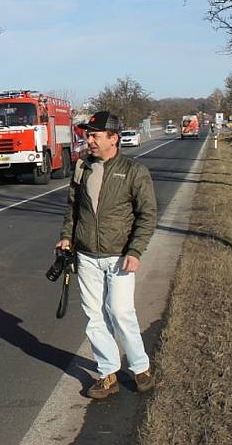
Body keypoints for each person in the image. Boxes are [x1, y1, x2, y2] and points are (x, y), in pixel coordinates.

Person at [56, 111, 157, 399]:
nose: (89, 140)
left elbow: (147, 215)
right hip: (86, 256)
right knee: (94, 317)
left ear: (114, 138)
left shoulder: (135, 171)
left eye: (95, 135)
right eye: (88, 135)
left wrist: (135, 250)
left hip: (119, 256)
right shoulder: (82, 168)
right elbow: (72, 209)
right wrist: (66, 237)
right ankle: (107, 372)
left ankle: (140, 368)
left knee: (121, 312)